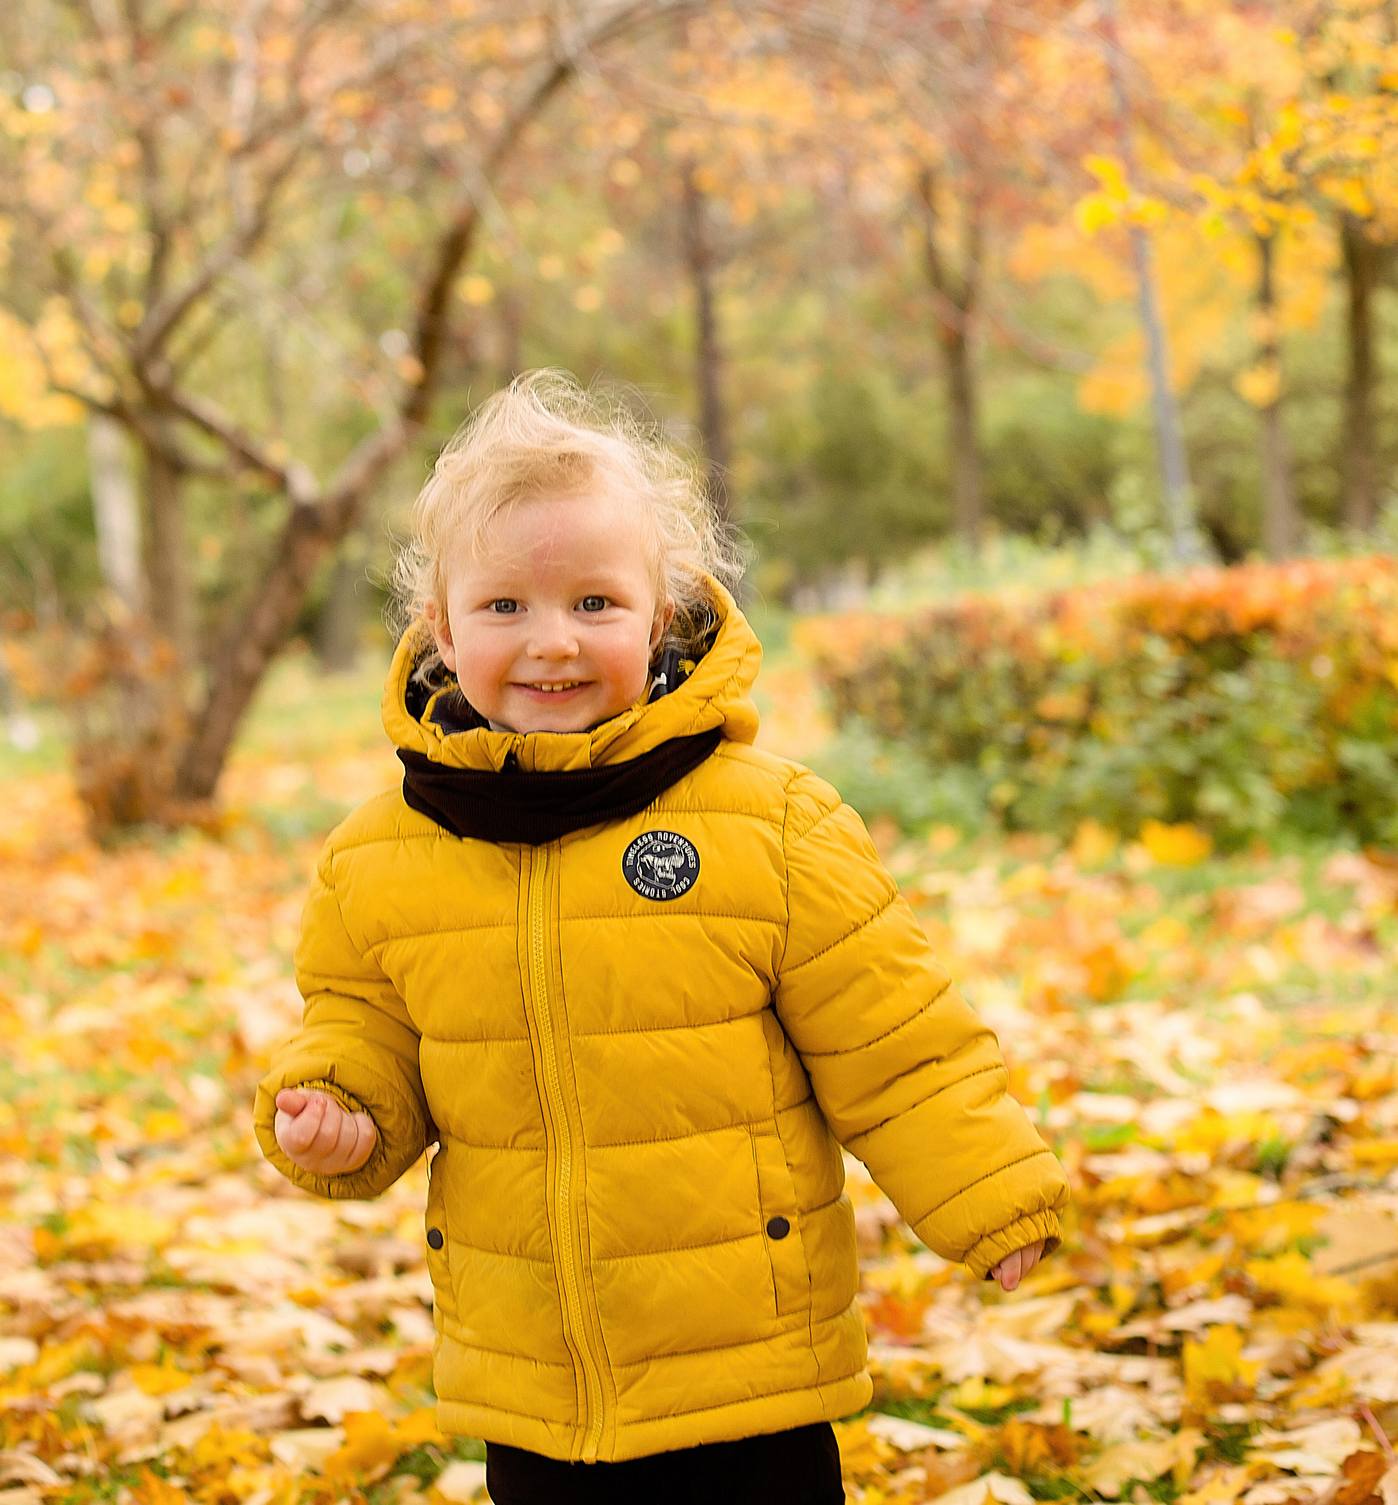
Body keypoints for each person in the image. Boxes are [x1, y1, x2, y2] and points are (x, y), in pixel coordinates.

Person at [252, 374, 1066, 1504]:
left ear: (659, 616)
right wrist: (342, 1103)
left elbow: (894, 1037)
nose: (552, 642)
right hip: (532, 1369)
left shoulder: (767, 824)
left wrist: (987, 1190)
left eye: (594, 603)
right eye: (504, 608)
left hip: (748, 1364)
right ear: (441, 628)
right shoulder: (380, 855)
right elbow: (361, 1021)